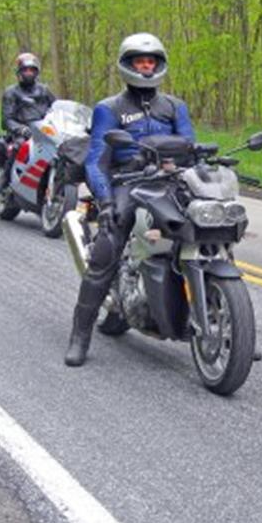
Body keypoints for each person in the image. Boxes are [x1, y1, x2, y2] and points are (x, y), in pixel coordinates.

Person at [64, 33, 195, 367]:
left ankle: (226, 320)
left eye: (151, 61)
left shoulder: (175, 107)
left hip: (170, 179)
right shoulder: (109, 108)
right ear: (128, 65)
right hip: (128, 181)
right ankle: (80, 335)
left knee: (207, 225)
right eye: (140, 61)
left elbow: (190, 148)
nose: (146, 67)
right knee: (108, 247)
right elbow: (96, 160)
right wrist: (106, 201)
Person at [0, 52, 56, 193]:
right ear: (19, 72)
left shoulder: (44, 91)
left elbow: (57, 108)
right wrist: (20, 129)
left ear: (36, 72)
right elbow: (7, 120)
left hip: (44, 131)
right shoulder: (11, 92)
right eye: (25, 70)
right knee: (19, 145)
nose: (28, 73)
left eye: (31, 70)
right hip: (21, 133)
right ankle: (5, 176)